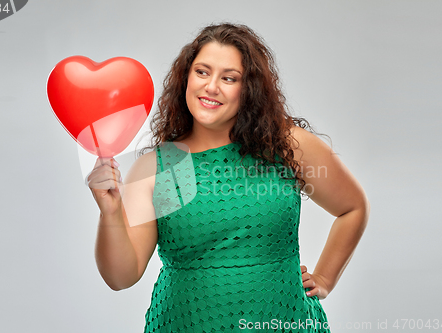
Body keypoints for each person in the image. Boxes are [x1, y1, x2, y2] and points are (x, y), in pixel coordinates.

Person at [87, 23, 370, 332]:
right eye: (202, 72)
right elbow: (121, 277)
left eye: (229, 78)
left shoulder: (287, 146)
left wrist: (326, 278)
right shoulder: (164, 166)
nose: (211, 87)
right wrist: (110, 212)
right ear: (186, 78)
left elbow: (352, 208)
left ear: (248, 89)